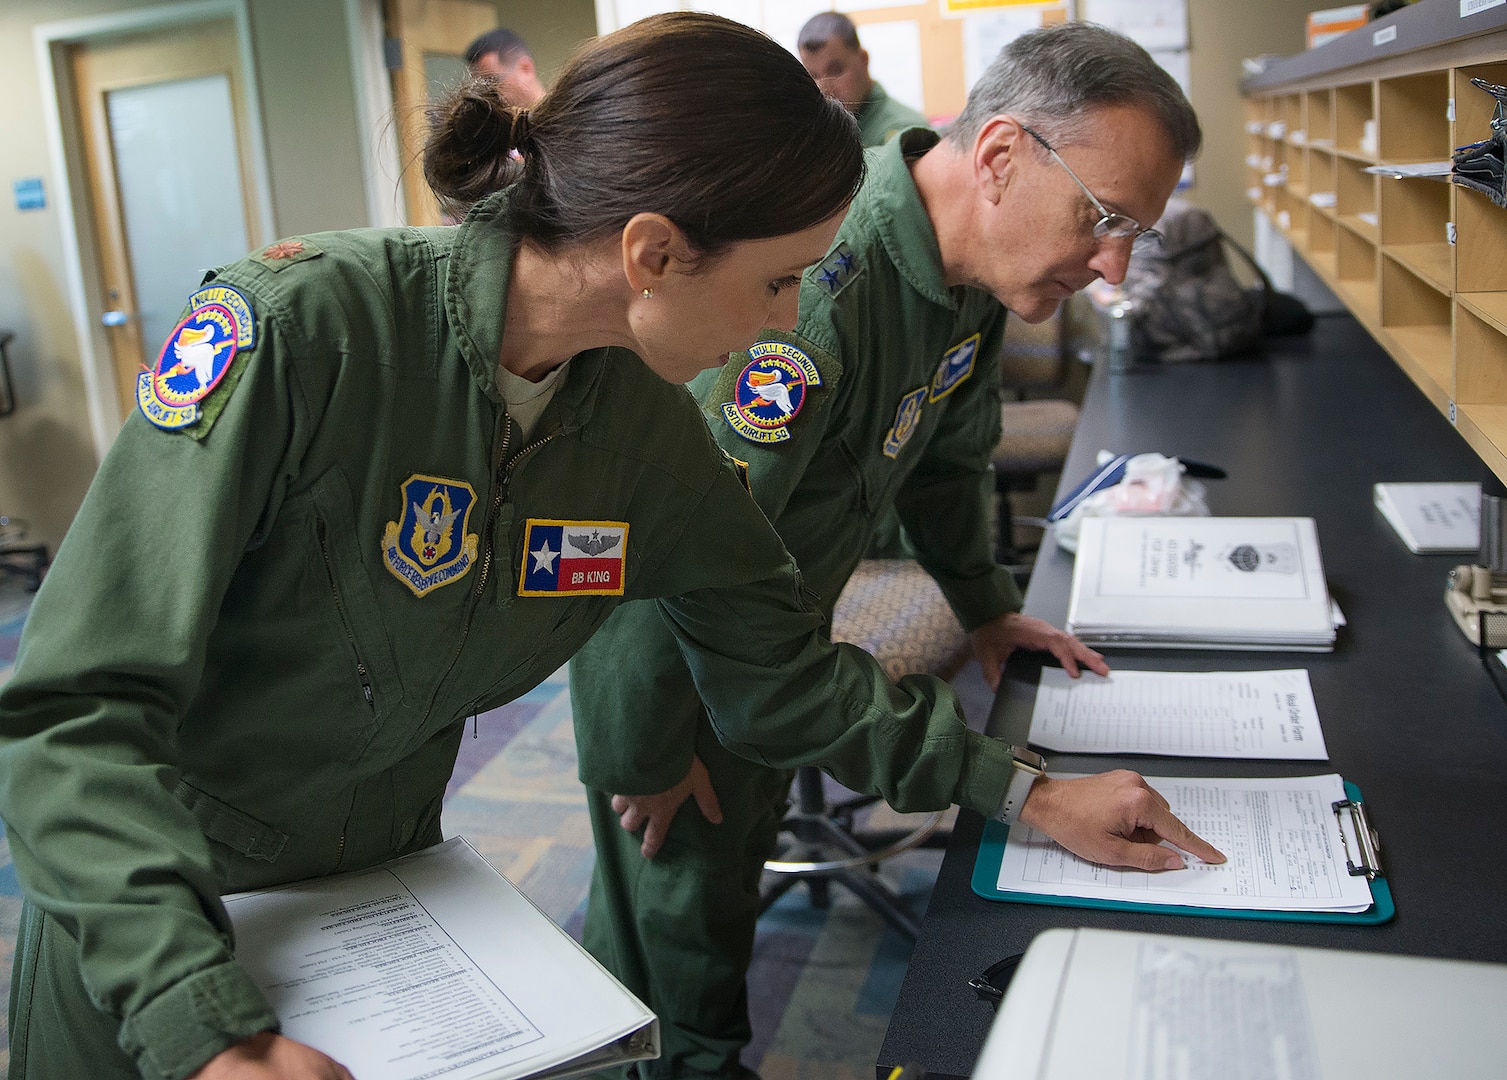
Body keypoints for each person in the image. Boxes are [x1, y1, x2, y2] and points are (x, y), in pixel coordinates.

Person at [0, 13, 1218, 1080]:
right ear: (650, 254)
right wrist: (195, 1019)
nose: (792, 323)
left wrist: (1023, 790)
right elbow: (73, 717)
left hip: (378, 913)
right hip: (149, 932)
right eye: (780, 282)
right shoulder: (303, 335)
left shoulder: (635, 427)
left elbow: (779, 671)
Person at [570, 22, 1208, 1080]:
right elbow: (646, 545)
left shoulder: (980, 274)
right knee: (671, 952)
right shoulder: (814, 296)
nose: (1113, 268)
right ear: (1000, 157)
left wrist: (985, 603)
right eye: (1104, 220)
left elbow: (949, 460)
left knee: (717, 908)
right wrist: (638, 748)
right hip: (674, 671)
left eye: (1136, 231)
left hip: (777, 629)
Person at [798, 11, 926, 145]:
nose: (824, 88)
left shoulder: (906, 132)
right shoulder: (816, 130)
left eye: (835, 71)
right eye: (813, 76)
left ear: (863, 59)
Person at [465, 25, 545, 107]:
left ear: (525, 68)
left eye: (494, 82)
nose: (488, 97)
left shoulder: (557, 118)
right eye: (483, 88)